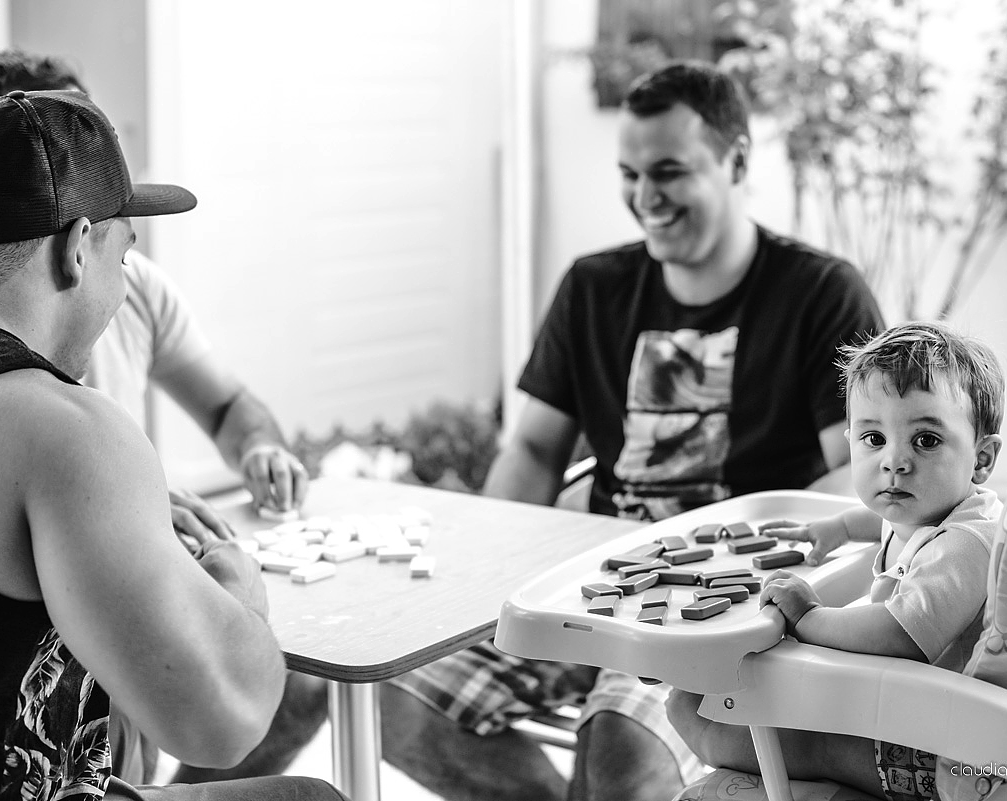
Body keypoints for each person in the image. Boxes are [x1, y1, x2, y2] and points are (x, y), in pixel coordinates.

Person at [378, 61, 887, 801]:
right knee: (403, 698)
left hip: (718, 616)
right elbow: (531, 450)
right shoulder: (594, 287)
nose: (645, 197)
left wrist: (767, 579)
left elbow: (853, 476)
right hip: (591, 589)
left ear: (738, 160)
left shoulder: (821, 294)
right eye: (630, 172)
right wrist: (487, 579)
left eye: (669, 171)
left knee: (620, 749)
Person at [0, 90, 342, 800]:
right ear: (77, 248)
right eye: (123, 258)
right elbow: (226, 719)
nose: (125, 285)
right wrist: (238, 588)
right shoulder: (59, 427)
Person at [0, 48, 309, 544]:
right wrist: (112, 502)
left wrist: (257, 447)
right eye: (58, 154)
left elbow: (227, 407)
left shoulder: (140, 287)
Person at [667, 321, 1006, 801]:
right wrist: (843, 527)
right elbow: (890, 525)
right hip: (919, 718)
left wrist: (808, 617)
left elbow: (899, 635)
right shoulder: (931, 505)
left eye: (926, 440)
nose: (894, 461)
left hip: (943, 755)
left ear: (982, 459)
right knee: (697, 704)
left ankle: (732, 750)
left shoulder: (968, 542)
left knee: (726, 726)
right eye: (873, 439)